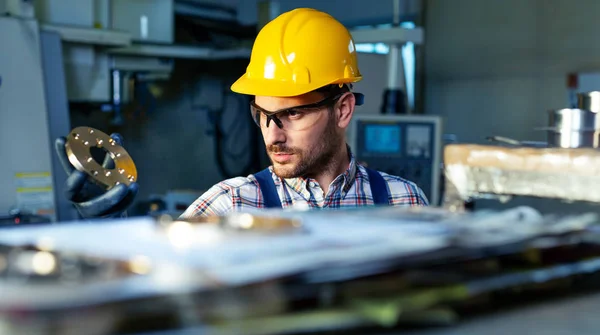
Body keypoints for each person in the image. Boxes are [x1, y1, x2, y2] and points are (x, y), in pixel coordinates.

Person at [55, 8, 428, 219]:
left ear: (343, 110)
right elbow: (152, 293)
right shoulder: (230, 204)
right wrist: (106, 230)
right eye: (263, 115)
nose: (273, 136)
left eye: (292, 115)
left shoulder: (404, 202)